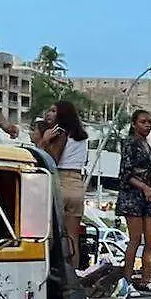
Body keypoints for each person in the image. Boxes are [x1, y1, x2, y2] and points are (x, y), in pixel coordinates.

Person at [117, 110, 151, 294]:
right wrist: (145, 187)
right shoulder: (130, 144)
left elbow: (143, 172)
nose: (148, 125)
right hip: (132, 195)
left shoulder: (145, 143)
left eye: (150, 122)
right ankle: (127, 282)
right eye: (143, 122)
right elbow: (125, 174)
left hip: (146, 196)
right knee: (135, 239)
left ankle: (146, 280)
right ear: (134, 124)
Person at [37, 100, 88, 268]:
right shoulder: (81, 135)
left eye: (53, 111)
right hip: (77, 185)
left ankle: (50, 273)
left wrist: (43, 143)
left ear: (62, 114)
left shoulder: (60, 132)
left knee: (50, 235)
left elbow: (53, 159)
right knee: (73, 237)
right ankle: (73, 275)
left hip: (60, 182)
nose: (49, 114)